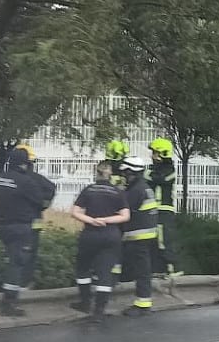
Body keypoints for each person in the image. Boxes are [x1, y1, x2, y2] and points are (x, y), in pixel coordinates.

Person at [0, 146, 56, 316]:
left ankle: (5, 291)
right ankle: (9, 303)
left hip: (2, 226)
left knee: (8, 261)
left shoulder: (1, 178)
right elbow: (40, 202)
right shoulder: (27, 182)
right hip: (21, 227)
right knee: (16, 264)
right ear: (25, 164)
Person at [70, 161, 131, 320]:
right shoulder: (117, 192)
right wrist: (107, 219)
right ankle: (99, 310)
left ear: (96, 173)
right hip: (111, 235)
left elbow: (75, 212)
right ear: (110, 175)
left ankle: (85, 302)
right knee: (105, 272)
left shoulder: (89, 190)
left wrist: (92, 220)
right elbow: (125, 216)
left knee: (83, 268)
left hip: (90, 234)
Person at [116, 157, 160, 316]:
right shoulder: (145, 187)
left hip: (137, 238)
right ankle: (141, 301)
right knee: (141, 270)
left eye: (125, 173)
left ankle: (142, 304)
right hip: (146, 237)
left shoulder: (135, 191)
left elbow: (123, 213)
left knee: (140, 271)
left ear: (131, 172)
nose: (123, 176)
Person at [146, 137, 178, 275]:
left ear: (162, 154)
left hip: (164, 210)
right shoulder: (150, 170)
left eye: (155, 153)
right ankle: (158, 269)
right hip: (153, 210)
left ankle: (172, 268)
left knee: (164, 239)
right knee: (153, 240)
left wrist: (149, 176)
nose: (152, 156)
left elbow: (161, 179)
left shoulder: (170, 170)